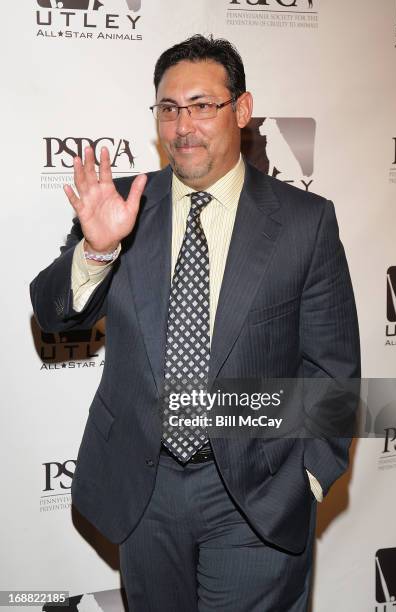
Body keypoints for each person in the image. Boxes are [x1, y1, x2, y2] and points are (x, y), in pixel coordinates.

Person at [30, 34, 360, 612]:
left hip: (258, 495)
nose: (184, 126)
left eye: (203, 106)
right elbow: (56, 313)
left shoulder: (305, 223)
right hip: (145, 489)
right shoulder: (126, 207)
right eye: (169, 108)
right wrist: (98, 250)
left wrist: (308, 477)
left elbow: (333, 367)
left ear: (242, 109)